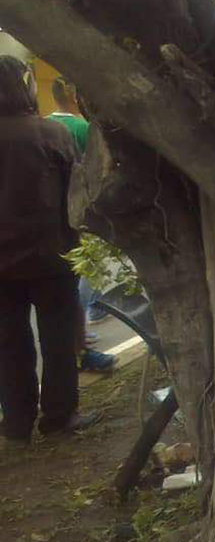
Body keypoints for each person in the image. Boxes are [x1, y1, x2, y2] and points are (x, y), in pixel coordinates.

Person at [0, 55, 99, 442]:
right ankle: (59, 416)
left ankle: (17, 422)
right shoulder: (50, 134)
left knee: (9, 344)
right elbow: (77, 196)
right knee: (57, 339)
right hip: (52, 257)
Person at [47, 79, 116, 371]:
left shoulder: (47, 124)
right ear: (74, 96)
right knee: (87, 270)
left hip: (54, 220)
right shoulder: (79, 127)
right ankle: (90, 317)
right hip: (80, 212)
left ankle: (87, 322)